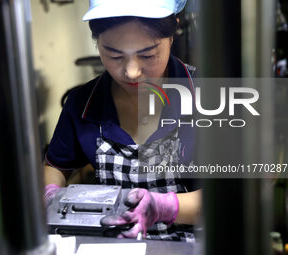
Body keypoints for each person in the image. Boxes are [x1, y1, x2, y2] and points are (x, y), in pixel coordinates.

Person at [44, 0, 202, 242]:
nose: (131, 72)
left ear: (172, 35)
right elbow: (55, 166)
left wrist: (165, 207)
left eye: (147, 55)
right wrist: (50, 194)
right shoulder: (83, 103)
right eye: (114, 55)